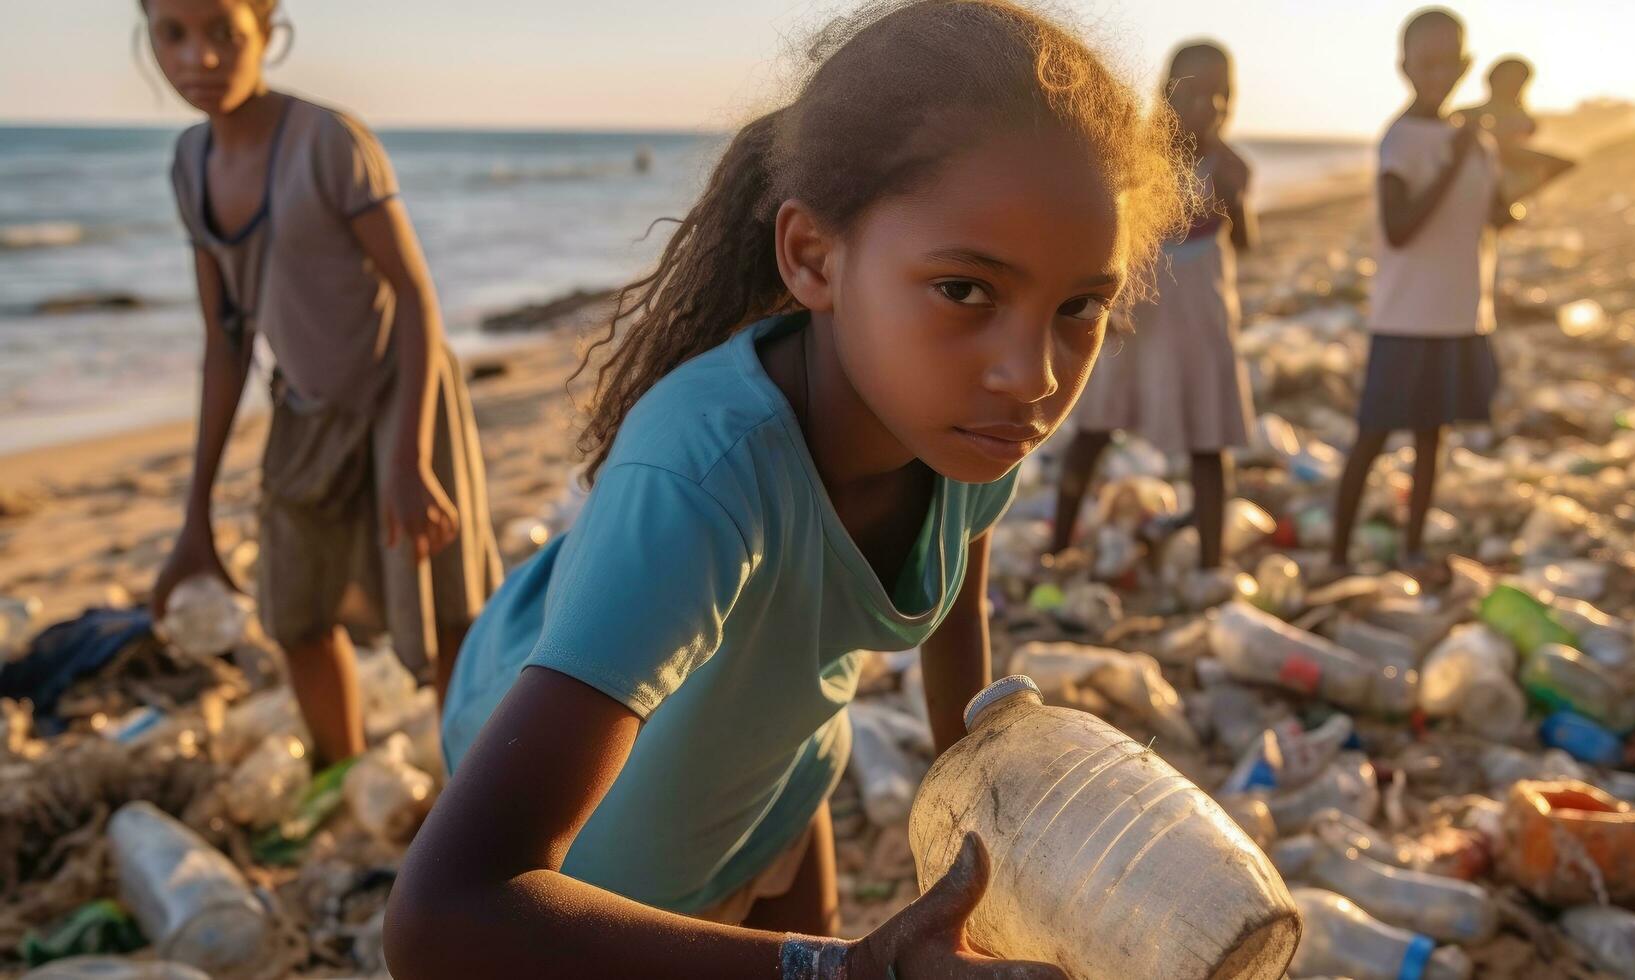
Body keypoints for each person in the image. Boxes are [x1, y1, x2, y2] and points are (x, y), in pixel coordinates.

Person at [383, 2, 1190, 977]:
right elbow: (442, 914)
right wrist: (845, 967)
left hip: (773, 779)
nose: (1033, 373)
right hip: (592, 862)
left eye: (1079, 306)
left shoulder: (964, 426)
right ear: (813, 256)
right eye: (965, 289)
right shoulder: (705, 478)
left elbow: (953, 651)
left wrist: (1002, 851)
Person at [143, 0, 502, 766]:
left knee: (443, 615)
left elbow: (414, 295)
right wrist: (193, 518)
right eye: (171, 34)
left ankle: (469, 802)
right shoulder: (189, 163)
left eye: (222, 35)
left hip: (403, 395)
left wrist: (408, 461)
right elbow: (225, 341)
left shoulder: (328, 142)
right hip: (305, 408)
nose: (197, 59)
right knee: (295, 612)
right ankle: (341, 772)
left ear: (266, 34)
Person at [1052, 40, 1256, 573]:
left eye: (1218, 95)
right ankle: (1058, 542)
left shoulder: (1228, 167)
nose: (1205, 107)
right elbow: (1105, 232)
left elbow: (1249, 244)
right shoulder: (1135, 161)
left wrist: (1235, 197)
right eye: (1192, 93)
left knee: (1207, 437)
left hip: (1200, 314)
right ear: (1166, 96)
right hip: (1133, 314)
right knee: (1095, 425)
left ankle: (1211, 564)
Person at [1328, 7, 1517, 577]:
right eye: (1424, 61)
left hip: (1460, 313)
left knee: (1433, 437)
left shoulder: (1476, 141)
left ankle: (1412, 546)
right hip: (1406, 316)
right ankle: (1337, 552)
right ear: (1403, 66)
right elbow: (1399, 227)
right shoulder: (1401, 139)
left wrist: (1512, 180)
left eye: (1447, 61)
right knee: (1374, 436)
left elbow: (1496, 215)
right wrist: (1453, 163)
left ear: (1465, 64)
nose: (1437, 72)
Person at [1456, 57, 1576, 202]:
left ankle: (1507, 198)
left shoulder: (1520, 114)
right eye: (1508, 80)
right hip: (1486, 155)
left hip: (1509, 159)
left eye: (1517, 81)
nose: (1512, 86)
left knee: (1564, 164)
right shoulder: (1474, 111)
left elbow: (1529, 129)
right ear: (1494, 80)